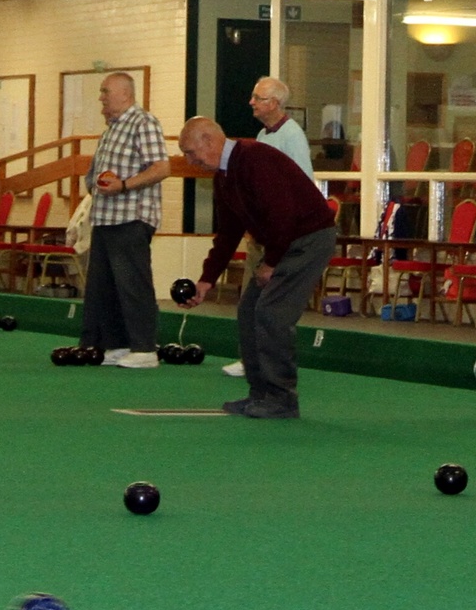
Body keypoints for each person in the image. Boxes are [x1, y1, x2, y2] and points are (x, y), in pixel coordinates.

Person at [178, 114, 337, 420]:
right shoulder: (223, 177)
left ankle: (282, 399)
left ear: (209, 140)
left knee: (272, 313)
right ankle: (260, 393)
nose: (189, 160)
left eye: (191, 152)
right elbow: (228, 233)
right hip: (285, 240)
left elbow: (284, 215)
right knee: (248, 309)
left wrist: (271, 263)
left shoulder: (254, 159)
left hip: (309, 239)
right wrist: (206, 280)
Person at [78, 72, 170, 369]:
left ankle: (144, 348)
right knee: (104, 287)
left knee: (133, 284)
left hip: (131, 217)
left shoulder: (143, 122)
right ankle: (116, 344)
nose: (101, 97)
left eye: (105, 91)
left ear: (125, 93)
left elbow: (161, 167)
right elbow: (98, 175)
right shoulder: (111, 128)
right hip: (105, 218)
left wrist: (125, 185)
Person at [249, 76, 314, 178]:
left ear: (273, 103)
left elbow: (304, 179)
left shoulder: (292, 134)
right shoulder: (262, 134)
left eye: (257, 98)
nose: (251, 102)